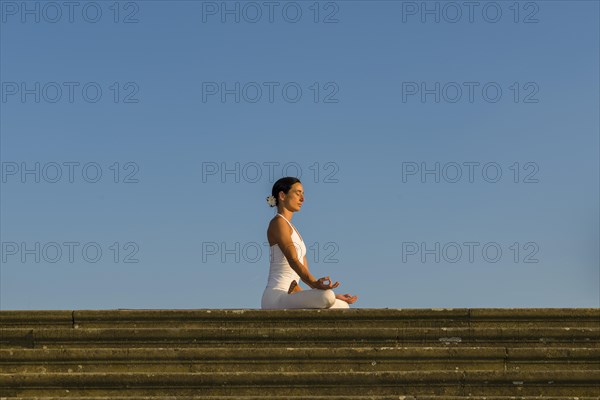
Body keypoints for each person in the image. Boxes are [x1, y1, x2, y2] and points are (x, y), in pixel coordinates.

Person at [261, 177, 358, 309]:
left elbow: (305, 277)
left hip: (291, 295)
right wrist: (321, 290)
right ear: (282, 195)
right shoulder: (278, 223)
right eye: (298, 193)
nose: (302, 198)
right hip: (276, 296)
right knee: (328, 297)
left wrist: (327, 293)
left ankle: (324, 297)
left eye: (303, 194)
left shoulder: (294, 231)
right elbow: (293, 260)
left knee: (343, 306)